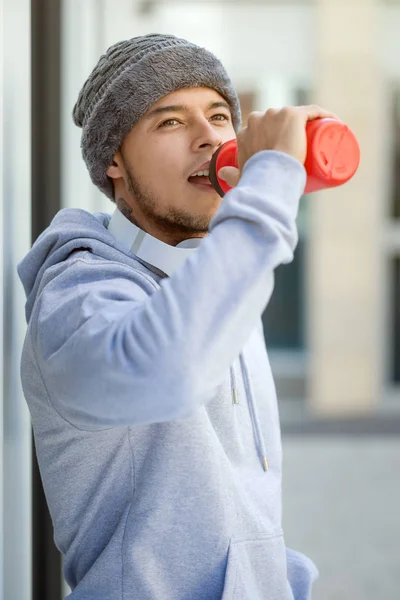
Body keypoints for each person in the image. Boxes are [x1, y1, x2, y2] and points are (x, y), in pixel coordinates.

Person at [18, 33, 335, 599]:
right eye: (170, 122)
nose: (210, 139)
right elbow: (166, 372)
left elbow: (243, 511)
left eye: (219, 115)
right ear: (113, 158)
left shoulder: (214, 273)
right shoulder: (76, 294)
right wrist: (265, 197)